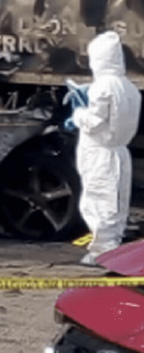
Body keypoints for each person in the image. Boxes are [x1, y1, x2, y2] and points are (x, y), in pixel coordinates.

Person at [71, 31, 141, 266]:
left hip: (100, 152)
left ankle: (103, 251)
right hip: (120, 152)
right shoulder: (129, 87)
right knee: (116, 202)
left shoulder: (103, 87)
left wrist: (78, 114)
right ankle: (114, 248)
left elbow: (95, 122)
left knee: (99, 201)